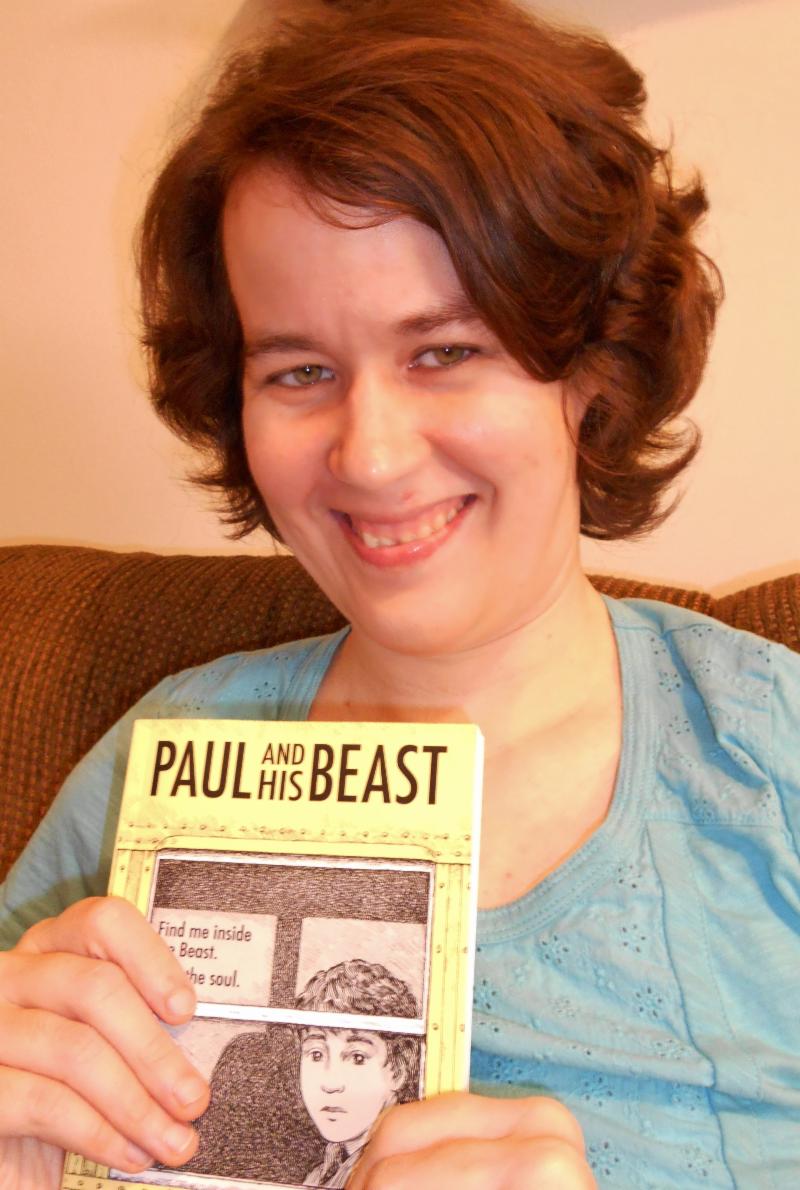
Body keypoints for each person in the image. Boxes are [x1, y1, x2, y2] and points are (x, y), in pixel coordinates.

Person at [0, 0, 798, 1187]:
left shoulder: (772, 754)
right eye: (299, 369)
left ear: (590, 367)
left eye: (444, 351)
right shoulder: (148, 770)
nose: (368, 455)